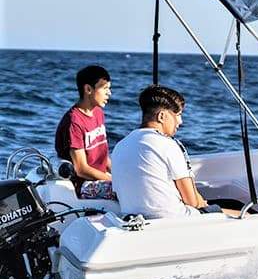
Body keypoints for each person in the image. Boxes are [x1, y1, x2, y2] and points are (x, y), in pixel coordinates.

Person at [112, 84, 237, 219]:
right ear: (161, 116)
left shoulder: (120, 146)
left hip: (136, 220)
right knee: (244, 214)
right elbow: (192, 201)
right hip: (175, 221)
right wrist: (204, 203)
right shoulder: (168, 144)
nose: (180, 121)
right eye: (178, 114)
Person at [54, 65, 114, 199]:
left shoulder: (98, 112)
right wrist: (114, 181)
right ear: (88, 89)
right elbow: (81, 169)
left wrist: (119, 174)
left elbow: (104, 157)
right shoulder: (74, 122)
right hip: (84, 185)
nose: (109, 93)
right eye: (104, 88)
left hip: (101, 178)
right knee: (129, 190)